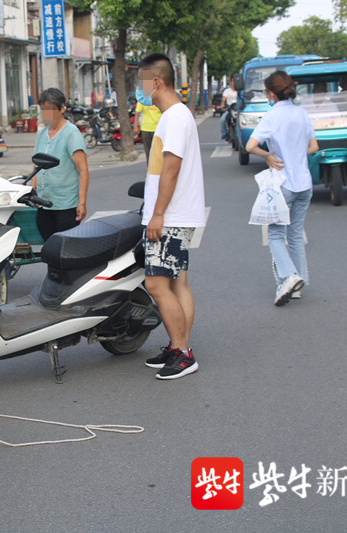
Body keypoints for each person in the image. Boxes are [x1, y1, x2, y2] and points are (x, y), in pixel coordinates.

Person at [137, 53, 206, 380]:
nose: (138, 89)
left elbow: (172, 169)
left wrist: (158, 214)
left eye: (140, 82)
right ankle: (179, 346)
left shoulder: (175, 117)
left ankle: (182, 352)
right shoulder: (173, 115)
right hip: (176, 214)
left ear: (156, 81)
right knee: (178, 282)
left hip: (171, 216)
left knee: (156, 283)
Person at [246, 70, 319, 306]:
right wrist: (295, 153)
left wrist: (268, 156)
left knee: (276, 235)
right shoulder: (301, 114)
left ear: (270, 92)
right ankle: (298, 285)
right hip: (304, 185)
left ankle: (289, 276)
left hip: (282, 184)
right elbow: (314, 146)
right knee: (295, 235)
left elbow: (250, 146)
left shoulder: (271, 117)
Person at [32, 88, 89, 241]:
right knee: (50, 251)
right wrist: (33, 193)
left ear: (62, 108)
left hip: (66, 207)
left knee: (66, 253)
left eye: (50, 110)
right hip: (44, 205)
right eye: (43, 110)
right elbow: (36, 166)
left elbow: (83, 170)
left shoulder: (72, 134)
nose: (46, 115)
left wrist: (82, 203)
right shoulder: (42, 134)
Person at [133, 93, 161, 165]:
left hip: (158, 129)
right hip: (146, 129)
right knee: (148, 152)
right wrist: (136, 126)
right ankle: (150, 170)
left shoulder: (159, 98)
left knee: (158, 152)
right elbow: (137, 113)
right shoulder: (143, 99)